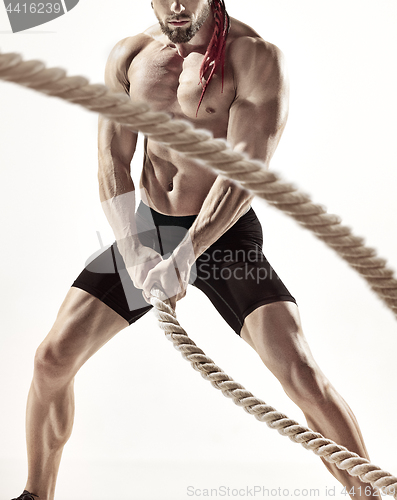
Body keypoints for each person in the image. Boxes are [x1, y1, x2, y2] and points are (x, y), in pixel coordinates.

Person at [13, 1, 379, 499]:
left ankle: (368, 494)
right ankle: (37, 495)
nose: (178, 4)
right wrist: (135, 248)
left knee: (300, 374)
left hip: (225, 233)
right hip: (147, 232)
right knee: (51, 360)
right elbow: (113, 156)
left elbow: (245, 172)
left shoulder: (253, 57)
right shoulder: (131, 55)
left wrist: (187, 255)